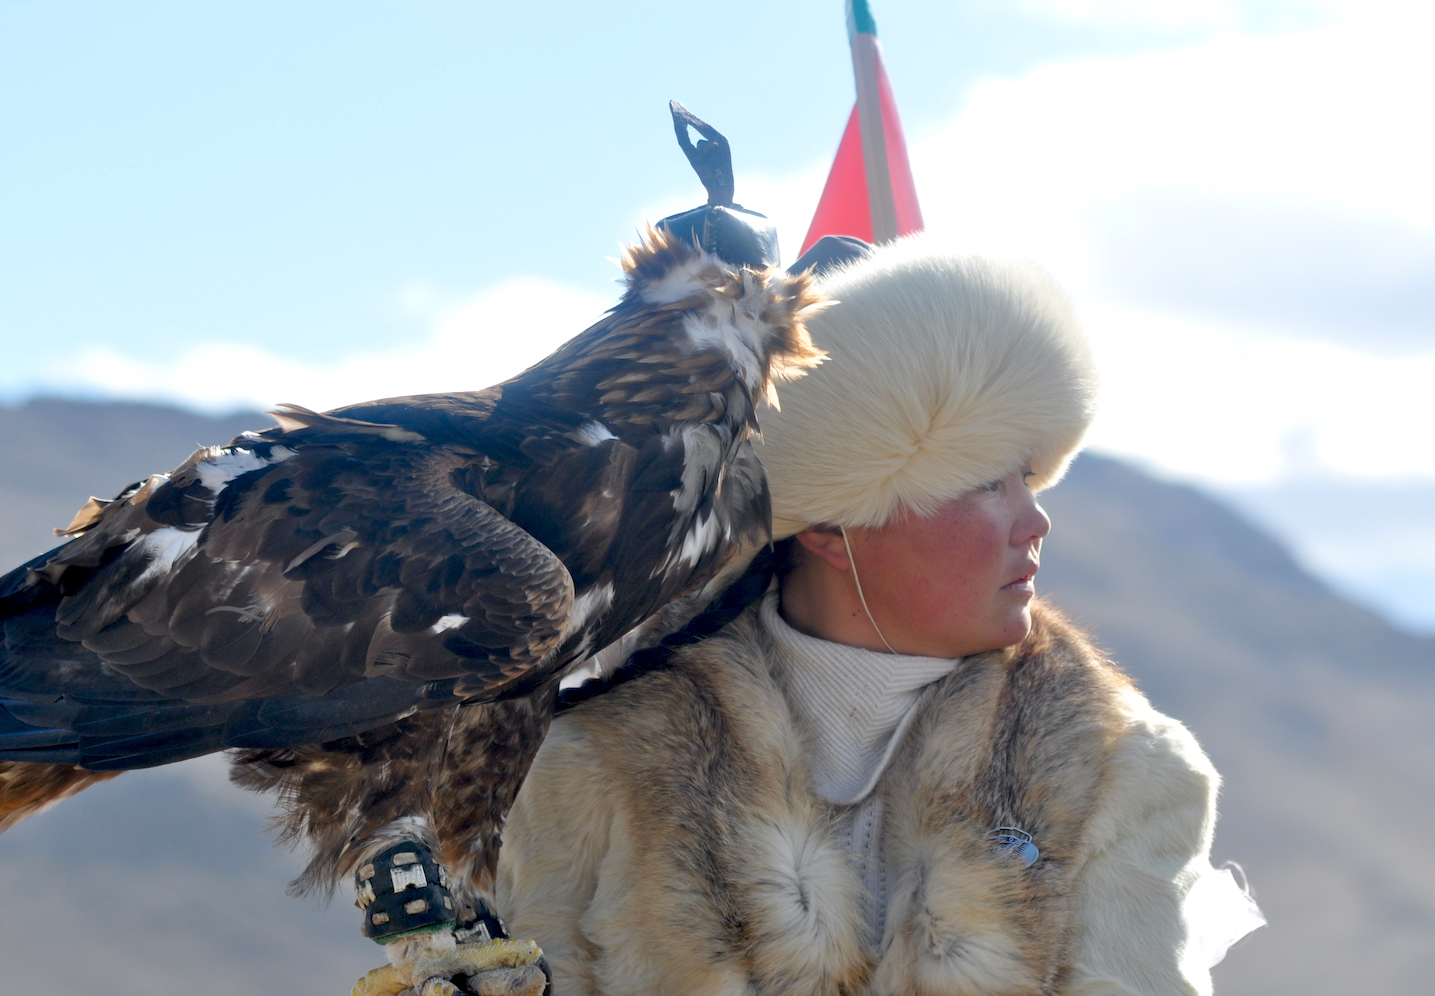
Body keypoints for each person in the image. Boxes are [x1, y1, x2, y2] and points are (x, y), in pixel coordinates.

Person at [495, 236, 1260, 995]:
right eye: (987, 483)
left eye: (1030, 479)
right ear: (831, 525)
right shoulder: (586, 770)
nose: (1036, 522)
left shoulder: (1125, 769)